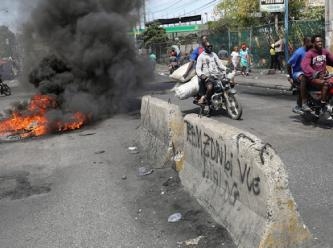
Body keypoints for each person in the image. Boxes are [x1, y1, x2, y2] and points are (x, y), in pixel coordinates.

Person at [301, 35, 333, 105]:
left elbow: (331, 60)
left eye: (321, 41)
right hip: (314, 77)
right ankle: (323, 104)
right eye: (318, 41)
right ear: (313, 43)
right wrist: (315, 73)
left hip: (324, 76)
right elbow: (305, 65)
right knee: (326, 84)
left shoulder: (324, 52)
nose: (320, 43)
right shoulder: (309, 53)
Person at [287, 37, 313, 113]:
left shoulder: (311, 51)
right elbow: (289, 64)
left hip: (308, 71)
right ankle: (303, 103)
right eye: (310, 42)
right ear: (305, 43)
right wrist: (290, 76)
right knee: (304, 78)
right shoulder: (299, 52)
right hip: (298, 72)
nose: (312, 44)